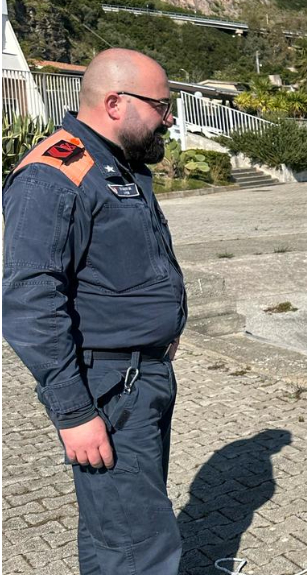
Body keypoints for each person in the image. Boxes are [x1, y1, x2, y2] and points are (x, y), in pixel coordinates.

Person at [3, 48, 186, 574]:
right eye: (161, 105)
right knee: (138, 544)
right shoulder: (54, 175)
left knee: (122, 526)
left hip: (141, 376)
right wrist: (75, 413)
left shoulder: (115, 164)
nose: (169, 118)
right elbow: (29, 303)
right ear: (114, 103)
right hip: (107, 386)